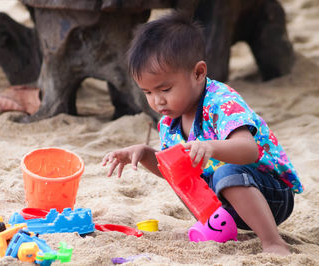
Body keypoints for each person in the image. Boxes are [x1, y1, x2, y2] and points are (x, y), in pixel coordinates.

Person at [102, 12, 303, 256]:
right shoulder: (170, 121)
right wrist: (145, 154)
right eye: (148, 92)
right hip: (227, 202)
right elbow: (176, 170)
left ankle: (273, 242)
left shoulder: (220, 101)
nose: (157, 100)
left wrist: (212, 147)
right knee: (190, 178)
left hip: (270, 193)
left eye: (165, 89)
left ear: (198, 73)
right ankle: (215, 228)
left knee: (225, 172)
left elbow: (249, 150)